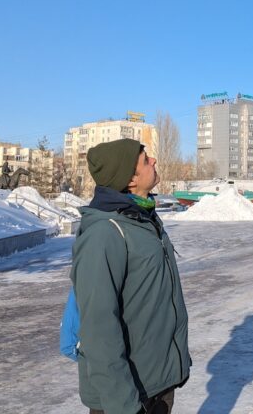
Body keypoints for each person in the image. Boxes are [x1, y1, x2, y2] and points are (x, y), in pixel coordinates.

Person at [71, 139, 191, 414]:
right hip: (125, 398)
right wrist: (124, 405)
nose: (154, 162)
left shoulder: (141, 219)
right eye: (146, 159)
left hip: (156, 383)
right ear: (130, 178)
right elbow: (98, 330)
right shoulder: (105, 233)